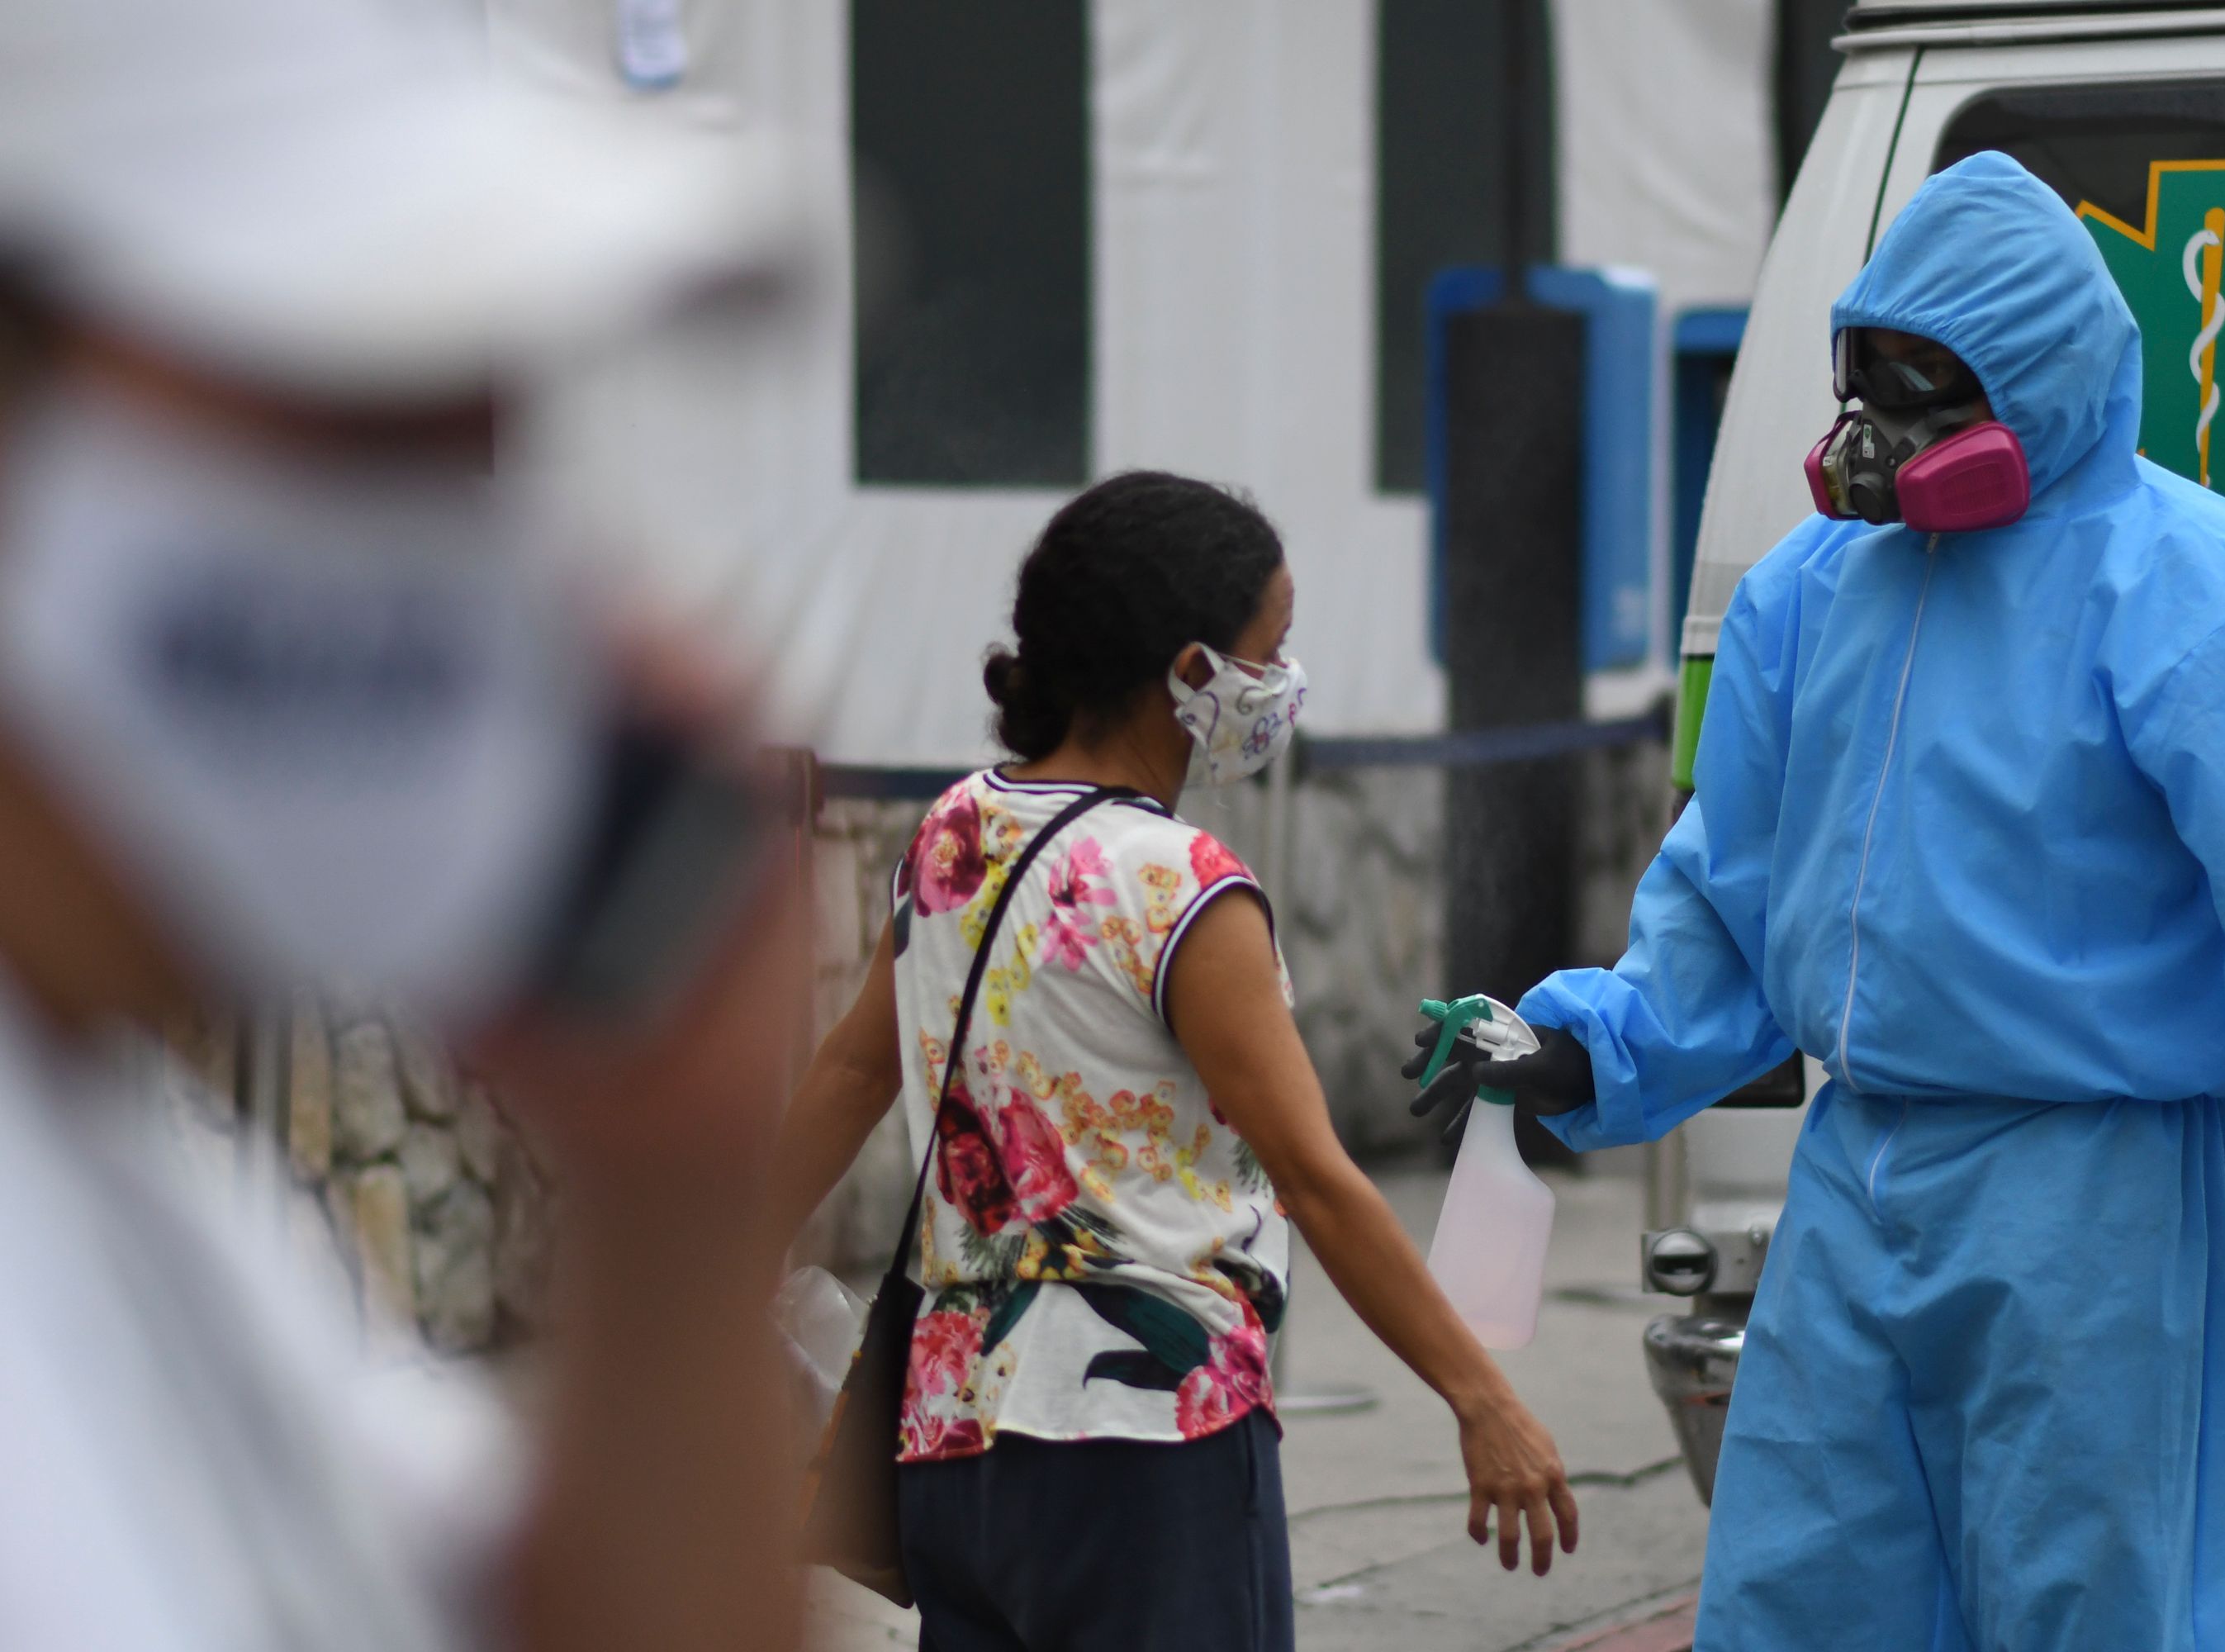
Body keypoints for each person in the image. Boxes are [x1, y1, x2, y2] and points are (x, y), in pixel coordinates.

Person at [1411, 151, 2225, 1650]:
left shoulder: (2198, 588)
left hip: (2103, 1199)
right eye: (1869, 381)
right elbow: (1729, 894)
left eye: (1931, 385)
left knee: (2098, 1602)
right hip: (1863, 1181)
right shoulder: (1811, 594)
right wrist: (1590, 1045)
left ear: (2042, 385)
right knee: (1803, 1592)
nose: (1882, 432)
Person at [0, 2, 813, 1650]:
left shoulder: (162, 1194)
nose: (452, 543)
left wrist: (672, 1189)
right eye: (354, 401)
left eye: (491, 420)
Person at [771, 470, 1580, 1652]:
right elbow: (1313, 1177)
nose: (1282, 683)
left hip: (952, 1436)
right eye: (1273, 647)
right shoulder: (1183, 890)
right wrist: (1482, 1394)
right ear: (1190, 672)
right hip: (1148, 1447)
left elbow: (849, 1078)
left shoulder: (955, 836)